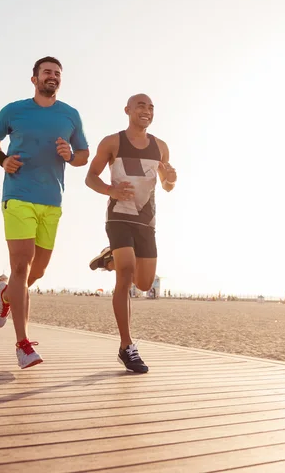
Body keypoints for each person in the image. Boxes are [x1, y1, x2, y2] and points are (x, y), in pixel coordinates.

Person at [0, 56, 89, 369]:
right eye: (46, 72)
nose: (52, 77)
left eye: (57, 73)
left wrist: (71, 155)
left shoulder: (70, 116)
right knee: (21, 264)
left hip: (52, 201)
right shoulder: (14, 110)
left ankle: (6, 298)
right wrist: (2, 160)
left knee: (37, 271)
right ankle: (23, 344)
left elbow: (83, 154)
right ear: (34, 79)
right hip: (18, 195)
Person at [85, 94, 177, 373]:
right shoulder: (112, 142)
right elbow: (91, 177)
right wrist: (109, 190)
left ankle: (110, 258)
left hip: (146, 222)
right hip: (119, 217)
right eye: (141, 105)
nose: (146, 110)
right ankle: (127, 347)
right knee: (125, 276)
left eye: (151, 107)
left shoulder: (161, 147)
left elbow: (167, 185)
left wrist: (171, 178)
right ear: (127, 110)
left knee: (145, 283)